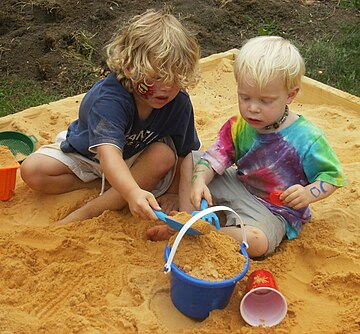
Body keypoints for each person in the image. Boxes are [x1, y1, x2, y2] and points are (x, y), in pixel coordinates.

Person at [147, 36, 347, 258]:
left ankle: (205, 232)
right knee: (190, 161)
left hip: (274, 209)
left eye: (265, 101)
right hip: (240, 185)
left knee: (257, 242)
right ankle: (188, 218)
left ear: (290, 95)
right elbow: (215, 158)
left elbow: (332, 176)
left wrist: (308, 193)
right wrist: (200, 181)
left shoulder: (307, 137)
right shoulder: (239, 125)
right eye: (245, 97)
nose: (252, 108)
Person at [20, 9, 201, 224]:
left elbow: (184, 153)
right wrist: (132, 192)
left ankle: (91, 209)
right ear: (129, 67)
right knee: (32, 170)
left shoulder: (178, 102)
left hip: (135, 159)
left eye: (174, 79)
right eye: (156, 77)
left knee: (164, 155)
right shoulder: (109, 100)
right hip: (89, 155)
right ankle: (109, 194)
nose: (165, 88)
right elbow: (109, 156)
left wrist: (174, 194)